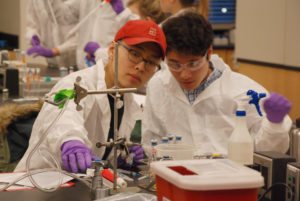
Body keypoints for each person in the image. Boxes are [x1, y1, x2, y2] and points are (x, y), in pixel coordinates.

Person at [14, 19, 167, 173]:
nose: (141, 67)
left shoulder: (127, 99)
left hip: (81, 187)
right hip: (38, 183)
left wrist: (119, 157)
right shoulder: (72, 83)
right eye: (134, 54)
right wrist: (71, 141)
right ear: (112, 49)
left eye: (151, 62)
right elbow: (59, 114)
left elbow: (100, 152)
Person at [142, 12, 292, 156]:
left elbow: (269, 153)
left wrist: (274, 124)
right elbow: (151, 141)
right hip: (176, 176)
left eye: (193, 63)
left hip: (231, 178)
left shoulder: (246, 92)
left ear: (209, 53)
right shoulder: (158, 86)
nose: (185, 74)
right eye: (175, 64)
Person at [50, 0, 139, 69]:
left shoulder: (130, 3)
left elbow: (139, 31)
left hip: (112, 68)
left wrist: (122, 12)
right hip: (84, 66)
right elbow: (64, 17)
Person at [26, 0, 77, 68]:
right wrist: (33, 36)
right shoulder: (37, 1)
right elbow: (31, 24)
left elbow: (81, 36)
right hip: (52, 64)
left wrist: (56, 51)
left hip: (75, 64)